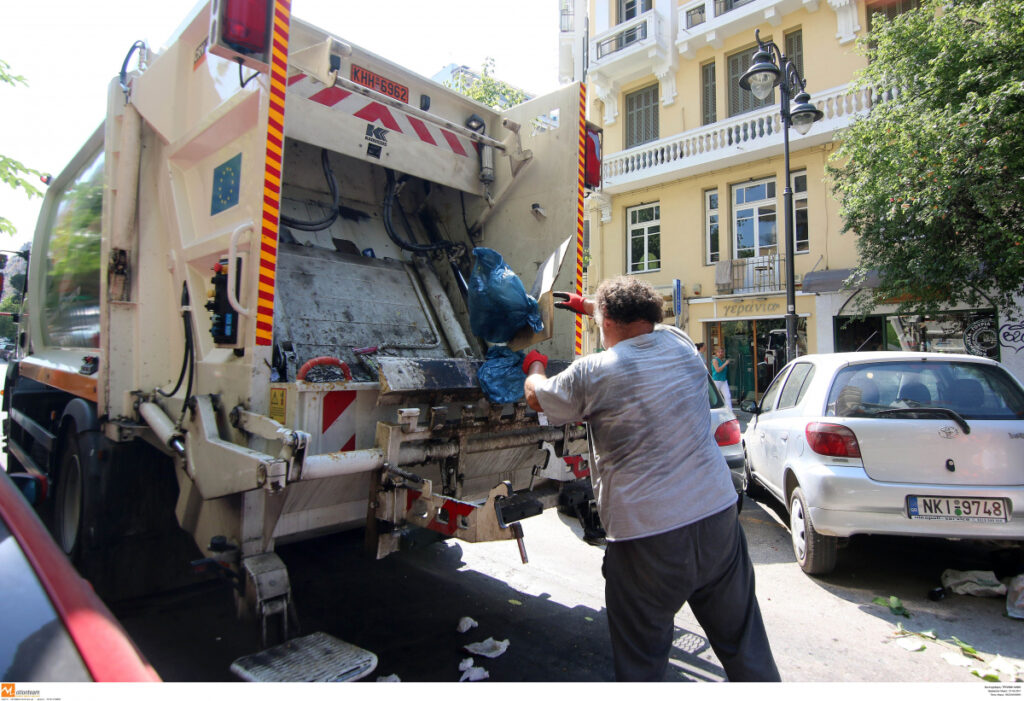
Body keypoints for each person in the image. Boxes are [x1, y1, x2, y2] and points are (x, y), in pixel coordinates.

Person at [529, 279, 780, 682]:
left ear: (606, 320)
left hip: (647, 539)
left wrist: (535, 366)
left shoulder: (593, 371)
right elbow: (643, 323)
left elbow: (539, 399)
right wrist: (587, 305)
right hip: (718, 518)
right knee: (745, 647)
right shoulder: (680, 344)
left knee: (642, 665)